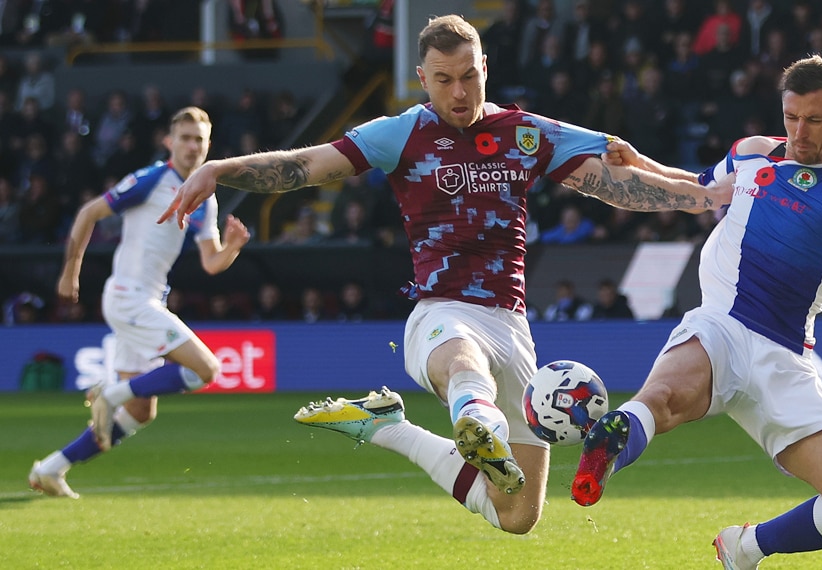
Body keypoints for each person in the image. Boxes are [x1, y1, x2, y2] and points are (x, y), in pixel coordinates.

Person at [158, 14, 721, 535]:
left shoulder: (525, 133)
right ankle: (477, 422)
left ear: (485, 71)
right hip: (442, 312)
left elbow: (618, 178)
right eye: (445, 79)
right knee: (463, 367)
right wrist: (220, 168)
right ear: (422, 78)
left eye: (470, 77)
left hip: (512, 323)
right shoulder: (399, 133)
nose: (459, 92)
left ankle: (388, 427)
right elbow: (306, 166)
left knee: (519, 515)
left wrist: (702, 197)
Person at [576, 55, 822, 568]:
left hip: (783, 362)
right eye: (791, 117)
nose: (799, 132)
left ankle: (746, 547)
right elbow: (699, 192)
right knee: (663, 397)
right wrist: (638, 164)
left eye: (813, 120)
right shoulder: (752, 155)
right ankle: (608, 444)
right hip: (719, 324)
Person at [28, 107, 251, 499]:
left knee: (141, 412)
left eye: (199, 139)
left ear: (209, 145)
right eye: (184, 137)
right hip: (130, 298)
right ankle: (109, 393)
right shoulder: (153, 179)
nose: (191, 146)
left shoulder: (205, 197)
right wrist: (70, 271)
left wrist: (232, 248)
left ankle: (51, 468)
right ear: (169, 142)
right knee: (206, 369)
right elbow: (89, 212)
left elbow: (211, 262)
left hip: (144, 300)